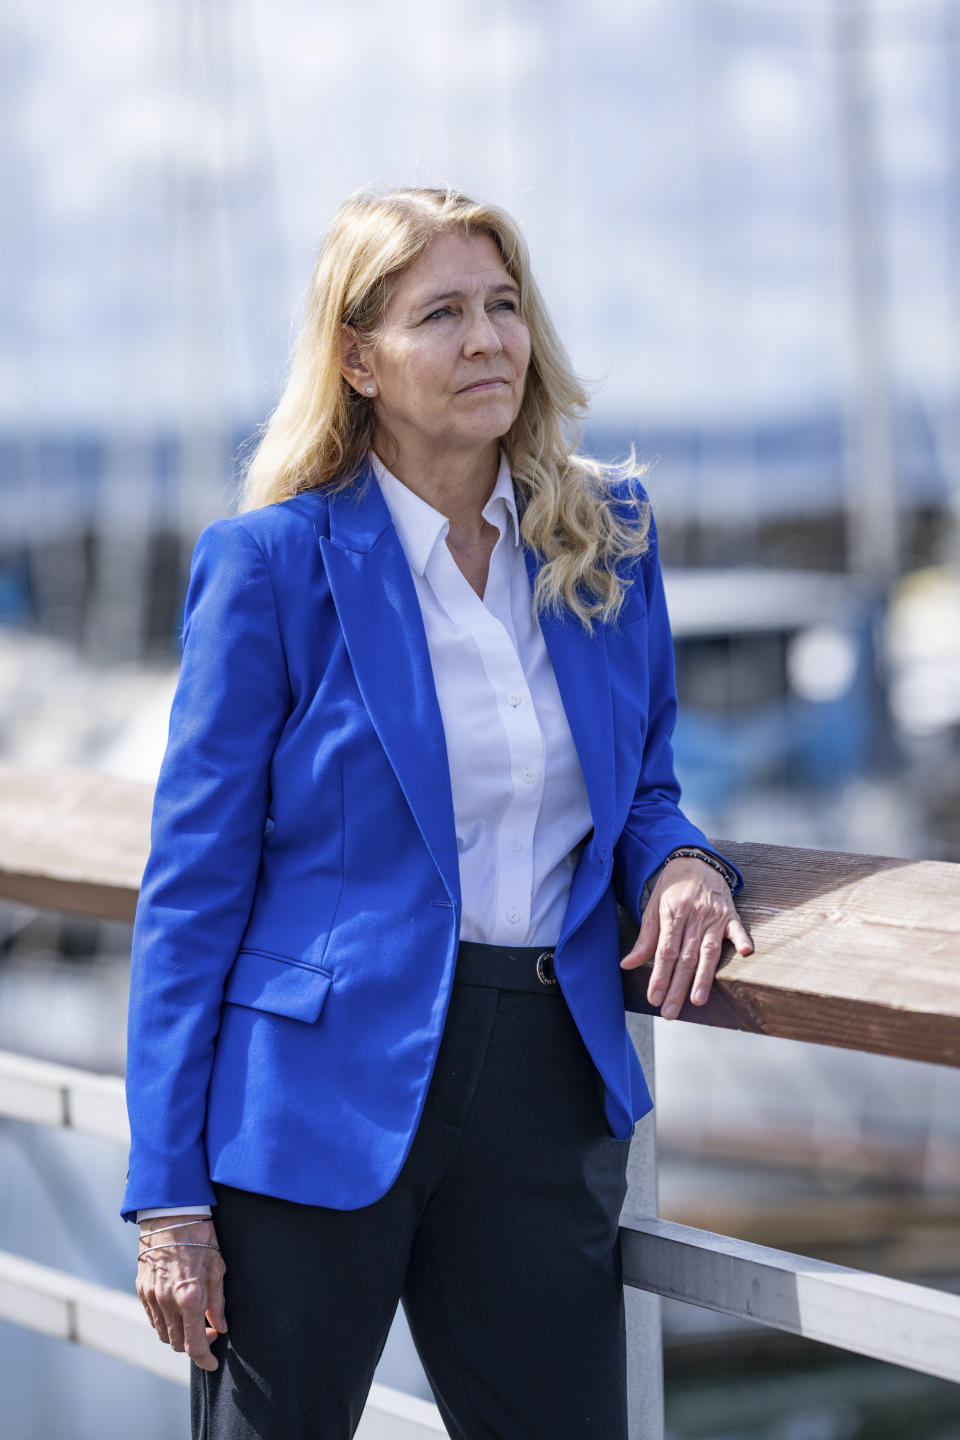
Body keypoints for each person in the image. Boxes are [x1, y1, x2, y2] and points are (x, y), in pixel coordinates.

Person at [124, 185, 753, 1440]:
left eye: (506, 306)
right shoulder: (272, 567)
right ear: (356, 359)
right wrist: (168, 1200)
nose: (488, 342)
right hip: (311, 1100)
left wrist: (683, 861)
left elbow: (647, 785)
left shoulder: (606, 539)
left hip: (543, 1086)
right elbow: (190, 891)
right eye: (443, 314)